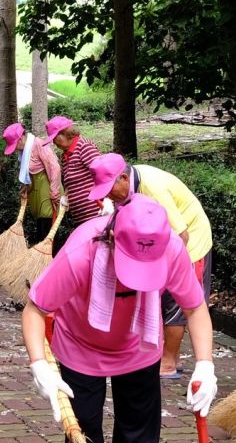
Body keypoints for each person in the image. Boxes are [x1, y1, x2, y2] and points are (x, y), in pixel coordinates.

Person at [21, 196, 218, 443]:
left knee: (139, 432)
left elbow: (194, 308)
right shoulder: (81, 252)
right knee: (83, 434)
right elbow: (36, 310)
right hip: (80, 346)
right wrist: (40, 366)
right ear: (112, 239)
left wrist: (205, 365)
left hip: (139, 345)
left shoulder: (171, 249)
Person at [88, 154, 214, 379]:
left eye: (109, 189)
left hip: (191, 240)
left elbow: (181, 235)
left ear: (124, 178)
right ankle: (169, 356)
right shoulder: (132, 186)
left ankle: (167, 363)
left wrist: (164, 269)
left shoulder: (152, 189)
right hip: (166, 241)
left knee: (176, 302)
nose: (107, 195)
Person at [44, 115, 102, 253]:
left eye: (54, 139)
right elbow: (70, 182)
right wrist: (66, 196)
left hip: (95, 214)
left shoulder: (84, 147)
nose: (54, 143)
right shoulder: (65, 156)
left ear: (64, 134)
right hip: (81, 218)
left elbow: (103, 174)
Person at [2, 121, 62, 243]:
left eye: (14, 145)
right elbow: (28, 175)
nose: (14, 150)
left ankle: (49, 260)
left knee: (46, 227)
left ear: (21, 138)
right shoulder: (24, 151)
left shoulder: (38, 144)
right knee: (40, 225)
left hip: (48, 190)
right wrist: (25, 189)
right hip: (36, 191)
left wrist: (54, 192)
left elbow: (54, 167)